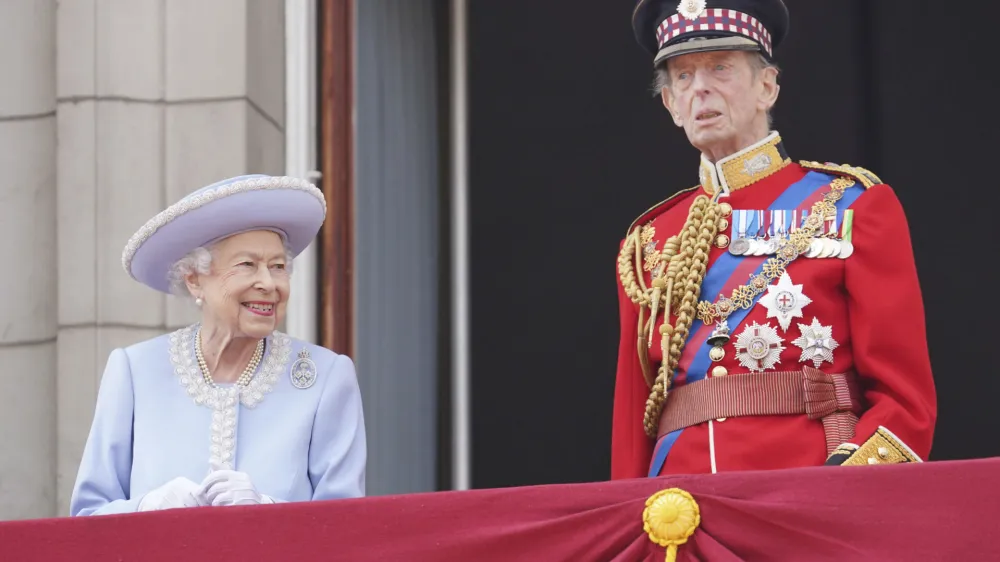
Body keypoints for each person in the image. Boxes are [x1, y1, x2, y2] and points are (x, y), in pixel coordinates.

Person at [612, 0, 936, 479]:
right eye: (682, 77)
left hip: (811, 496)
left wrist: (846, 488)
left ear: (767, 86)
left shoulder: (851, 206)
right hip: (681, 505)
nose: (700, 88)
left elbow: (906, 404)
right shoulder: (650, 239)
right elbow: (633, 422)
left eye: (719, 68)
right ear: (671, 105)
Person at [70, 174, 367, 515]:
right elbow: (86, 518)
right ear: (195, 280)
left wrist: (268, 511)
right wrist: (146, 508)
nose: (268, 283)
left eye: (278, 267)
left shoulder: (326, 377)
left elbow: (347, 526)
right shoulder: (135, 372)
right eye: (247, 265)